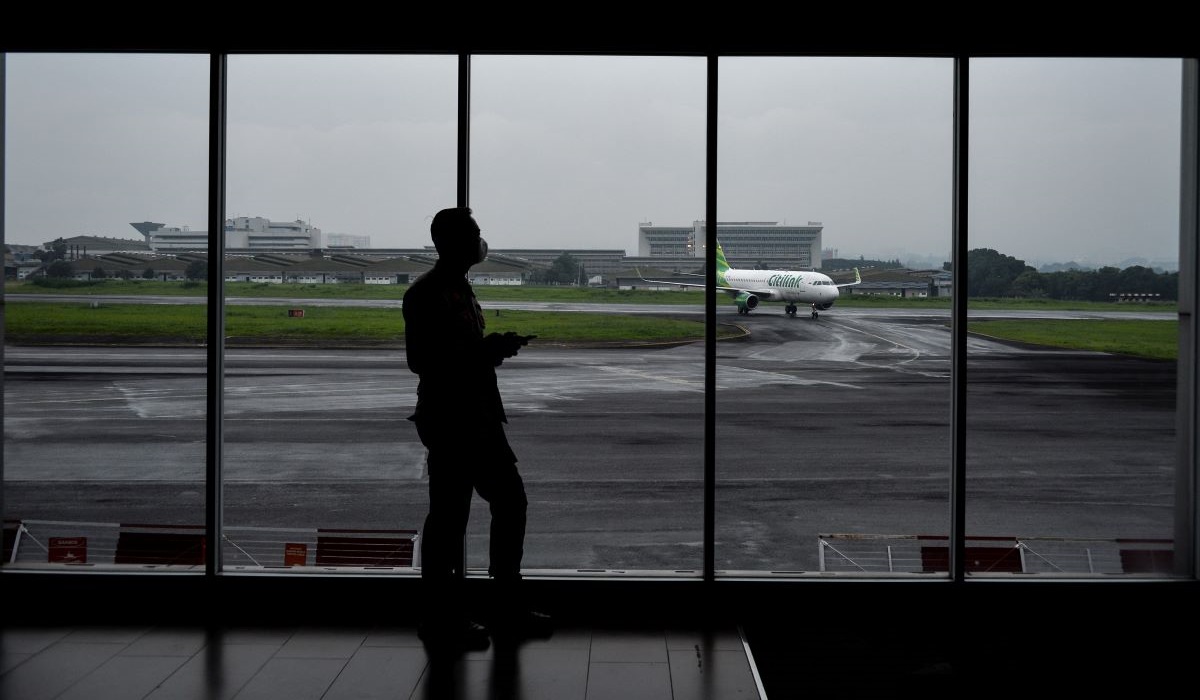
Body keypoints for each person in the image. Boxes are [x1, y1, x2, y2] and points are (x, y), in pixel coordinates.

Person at [402, 206, 551, 651]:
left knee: (504, 503)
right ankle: (443, 617)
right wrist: (486, 353)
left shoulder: (457, 289)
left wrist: (490, 351)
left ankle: (498, 605)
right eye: (475, 233)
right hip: (452, 420)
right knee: (451, 519)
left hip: (479, 416)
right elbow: (422, 362)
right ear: (453, 242)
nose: (481, 240)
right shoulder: (428, 293)